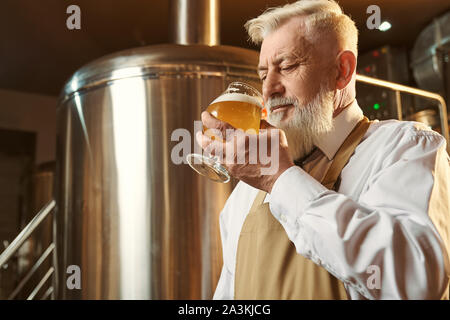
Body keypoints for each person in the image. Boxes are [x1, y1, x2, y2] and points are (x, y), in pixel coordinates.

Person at [196, 0, 450, 300]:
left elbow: (416, 282)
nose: (269, 90)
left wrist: (280, 181)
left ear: (342, 71)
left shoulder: (405, 148)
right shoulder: (245, 194)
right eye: (264, 75)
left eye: (287, 66)